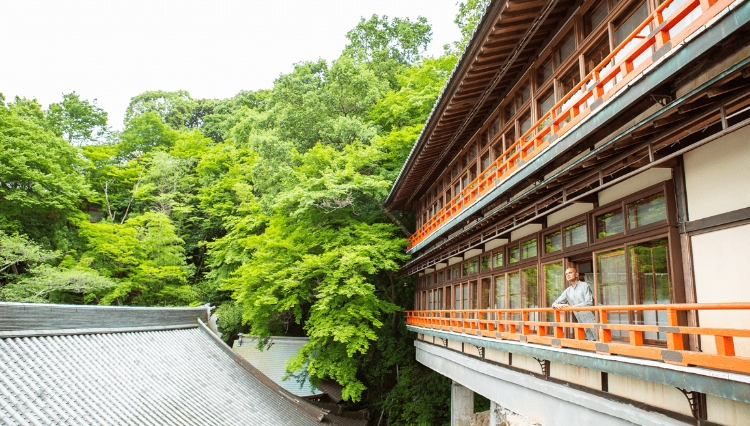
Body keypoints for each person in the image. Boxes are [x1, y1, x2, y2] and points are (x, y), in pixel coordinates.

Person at [552, 267, 596, 341]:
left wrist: (572, 307)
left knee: (598, 337)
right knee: (590, 340)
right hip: (579, 318)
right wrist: (558, 305)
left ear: (576, 274)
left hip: (590, 316)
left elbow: (589, 302)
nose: (568, 275)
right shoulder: (567, 291)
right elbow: (554, 303)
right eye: (566, 274)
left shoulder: (584, 285)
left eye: (570, 273)